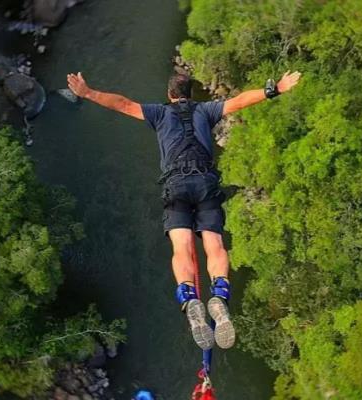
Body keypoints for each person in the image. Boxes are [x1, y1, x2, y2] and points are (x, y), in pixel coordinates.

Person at [67, 70, 301, 350]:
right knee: (214, 244)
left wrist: (89, 93)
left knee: (182, 247)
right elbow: (239, 101)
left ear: (170, 95)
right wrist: (275, 88)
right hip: (205, 183)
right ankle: (219, 294)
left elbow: (123, 104)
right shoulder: (206, 110)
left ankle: (190, 298)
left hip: (176, 186)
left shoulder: (159, 114)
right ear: (190, 94)